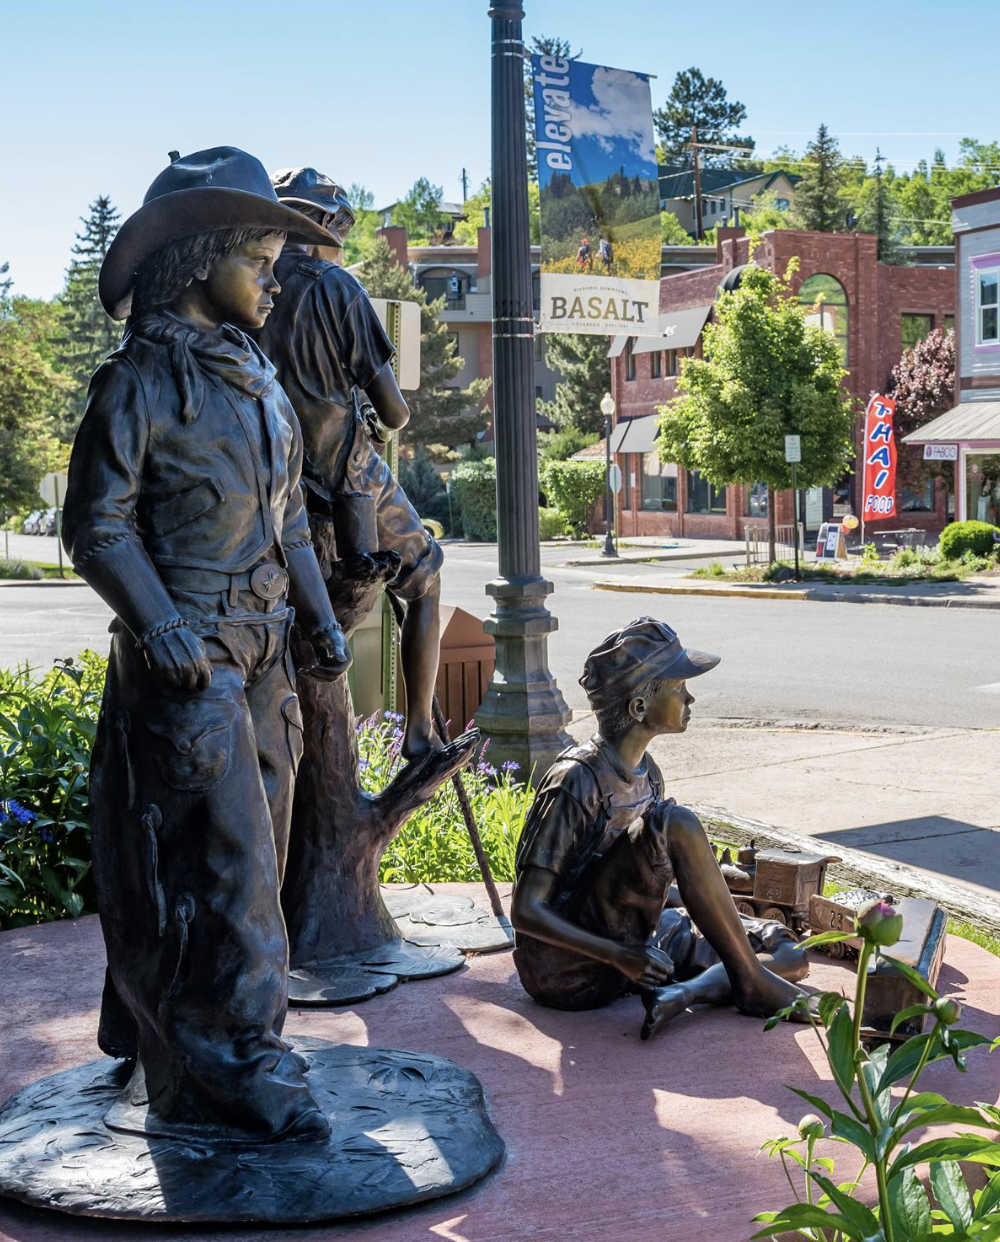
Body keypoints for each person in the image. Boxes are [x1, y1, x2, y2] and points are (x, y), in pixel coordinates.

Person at [62, 147, 352, 1142]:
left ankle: (192, 1034)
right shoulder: (137, 384)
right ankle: (244, 1070)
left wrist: (316, 614)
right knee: (222, 870)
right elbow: (95, 526)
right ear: (200, 258)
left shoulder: (256, 383)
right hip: (188, 663)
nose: (275, 277)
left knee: (254, 863)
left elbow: (286, 522)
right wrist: (163, 626)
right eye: (261, 258)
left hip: (263, 650)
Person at [510, 618, 808, 1040]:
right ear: (638, 707)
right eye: (677, 686)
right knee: (679, 823)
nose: (690, 697)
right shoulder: (575, 781)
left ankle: (688, 993)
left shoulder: (648, 775)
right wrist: (619, 955)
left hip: (633, 942)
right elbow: (525, 910)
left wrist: (710, 902)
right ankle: (747, 981)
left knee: (788, 951)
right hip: (570, 971)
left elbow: (638, 877)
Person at [256, 168, 444, 761]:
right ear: (329, 223)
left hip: (268, 482)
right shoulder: (336, 287)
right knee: (428, 577)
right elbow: (395, 411)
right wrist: (374, 415)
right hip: (344, 476)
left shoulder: (248, 283)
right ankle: (418, 730)